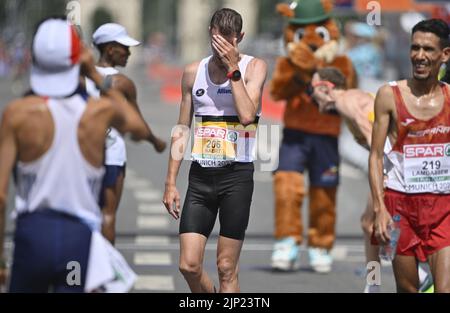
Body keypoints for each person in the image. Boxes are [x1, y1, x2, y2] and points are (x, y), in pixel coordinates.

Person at [0, 17, 150, 292]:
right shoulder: (95, 112)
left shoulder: (17, 114)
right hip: (75, 237)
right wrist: (94, 74)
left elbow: (0, 196)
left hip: (32, 236)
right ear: (79, 58)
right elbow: (137, 127)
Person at [162, 8, 267, 293]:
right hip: (201, 178)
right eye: (216, 39)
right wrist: (171, 182)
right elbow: (182, 129)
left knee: (225, 267)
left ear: (239, 38)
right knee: (189, 265)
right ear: (210, 33)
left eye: (227, 41)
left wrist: (233, 69)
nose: (220, 47)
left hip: (236, 178)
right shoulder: (193, 73)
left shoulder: (253, 67)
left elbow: (247, 115)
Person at [369, 19, 450, 293]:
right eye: (415, 48)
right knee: (407, 290)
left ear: (445, 55)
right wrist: (379, 211)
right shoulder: (389, 96)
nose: (420, 55)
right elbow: (375, 156)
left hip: (443, 208)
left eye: (428, 49)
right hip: (399, 209)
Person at [86, 23, 167, 244]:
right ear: (110, 49)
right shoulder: (122, 83)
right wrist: (155, 141)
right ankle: (107, 271)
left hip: (83, 155)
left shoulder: (81, 77)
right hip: (111, 155)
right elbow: (137, 124)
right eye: (125, 48)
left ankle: (80, 268)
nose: (129, 53)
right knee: (108, 214)